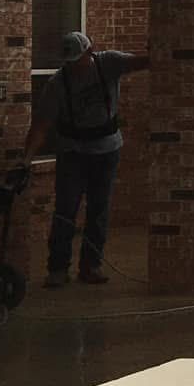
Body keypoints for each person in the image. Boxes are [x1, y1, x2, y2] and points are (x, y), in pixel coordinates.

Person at [20, 33, 149, 286]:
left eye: (77, 59)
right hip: (72, 152)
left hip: (107, 149)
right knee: (65, 209)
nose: (73, 65)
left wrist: (160, 47)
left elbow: (142, 63)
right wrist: (26, 159)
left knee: (99, 209)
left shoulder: (109, 63)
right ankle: (57, 269)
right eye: (69, 61)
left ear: (90, 52)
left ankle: (91, 266)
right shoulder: (58, 83)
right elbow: (42, 125)